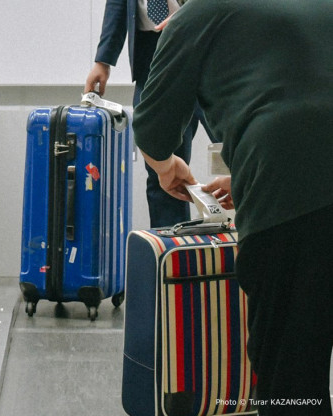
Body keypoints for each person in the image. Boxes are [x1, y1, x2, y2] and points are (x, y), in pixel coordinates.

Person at [132, 0, 333, 414]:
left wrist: (167, 167)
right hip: (292, 179)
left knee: (292, 377)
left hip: (288, 198)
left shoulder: (195, 15)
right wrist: (247, 180)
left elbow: (152, 128)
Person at [85, 0, 218, 228]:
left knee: (242, 154)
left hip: (204, 41)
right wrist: (103, 60)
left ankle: (259, 242)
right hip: (151, 54)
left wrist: (191, 16)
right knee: (162, 166)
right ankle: (170, 246)